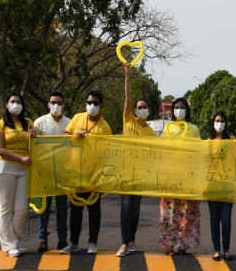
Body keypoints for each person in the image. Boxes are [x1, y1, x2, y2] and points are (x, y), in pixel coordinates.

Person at [61, 91, 112, 254]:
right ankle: (73, 242)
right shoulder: (77, 118)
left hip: (94, 174)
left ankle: (93, 243)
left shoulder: (105, 127)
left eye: (96, 103)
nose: (92, 106)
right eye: (89, 102)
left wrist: (103, 179)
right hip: (76, 171)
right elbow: (65, 135)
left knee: (93, 209)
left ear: (101, 106)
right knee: (75, 209)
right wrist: (75, 136)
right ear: (85, 103)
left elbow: (107, 153)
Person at [116, 63, 156, 257]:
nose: (140, 109)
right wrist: (127, 76)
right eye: (139, 107)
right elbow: (128, 99)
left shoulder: (150, 131)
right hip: (126, 172)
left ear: (148, 110)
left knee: (135, 209)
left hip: (141, 174)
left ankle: (131, 241)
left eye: (144, 107)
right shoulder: (128, 120)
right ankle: (124, 243)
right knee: (125, 208)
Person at [0, 93, 36, 257]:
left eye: (19, 102)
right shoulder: (0, 124)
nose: (16, 104)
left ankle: (17, 241)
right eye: (13, 101)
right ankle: (9, 245)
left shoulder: (28, 123)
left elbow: (36, 144)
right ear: (7, 105)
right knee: (6, 208)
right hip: (5, 168)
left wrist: (34, 137)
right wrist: (21, 158)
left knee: (21, 209)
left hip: (23, 170)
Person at [159, 96, 201, 255]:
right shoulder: (167, 128)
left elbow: (198, 152)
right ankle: (169, 243)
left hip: (187, 177)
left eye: (182, 107)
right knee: (169, 211)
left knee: (185, 211)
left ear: (187, 110)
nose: (179, 110)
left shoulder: (193, 129)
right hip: (169, 176)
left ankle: (183, 244)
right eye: (176, 107)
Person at [33, 92, 70, 252]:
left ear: (64, 105)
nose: (56, 105)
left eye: (59, 102)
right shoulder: (39, 123)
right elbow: (33, 145)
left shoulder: (70, 123)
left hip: (63, 172)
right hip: (44, 171)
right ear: (48, 104)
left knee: (62, 208)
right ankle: (42, 239)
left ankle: (62, 240)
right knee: (44, 207)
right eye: (53, 102)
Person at [207, 110, 234, 261]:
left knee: (226, 219)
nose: (219, 124)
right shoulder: (208, 142)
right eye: (217, 121)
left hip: (227, 186)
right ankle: (216, 249)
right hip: (212, 186)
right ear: (213, 123)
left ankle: (227, 249)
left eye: (222, 121)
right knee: (214, 218)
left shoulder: (231, 142)